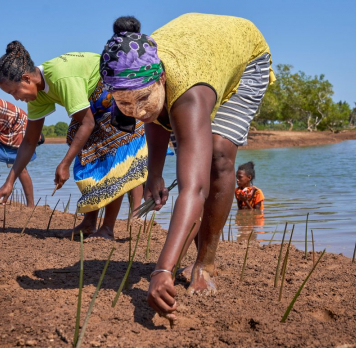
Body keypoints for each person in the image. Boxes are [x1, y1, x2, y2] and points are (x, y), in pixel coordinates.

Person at [100, 13, 275, 318]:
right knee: (183, 140)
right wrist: (154, 174)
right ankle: (190, 252)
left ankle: (206, 262)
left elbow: (194, 189)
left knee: (217, 156)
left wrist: (162, 270)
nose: (136, 111)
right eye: (125, 103)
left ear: (162, 78)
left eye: (142, 98)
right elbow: (154, 115)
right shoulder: (129, 74)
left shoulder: (188, 93)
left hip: (244, 54)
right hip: (194, 55)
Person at [0, 40, 147, 240]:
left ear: (26, 78)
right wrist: (9, 182)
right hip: (93, 103)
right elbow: (29, 141)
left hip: (113, 91)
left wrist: (64, 163)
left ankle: (107, 228)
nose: (15, 98)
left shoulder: (61, 77)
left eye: (14, 91)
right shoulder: (36, 95)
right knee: (85, 152)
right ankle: (89, 223)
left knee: (112, 158)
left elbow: (88, 123)